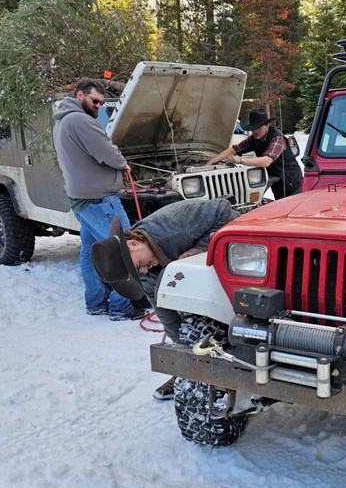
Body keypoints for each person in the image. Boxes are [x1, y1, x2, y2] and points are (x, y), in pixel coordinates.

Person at [90, 198, 239, 399]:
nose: (143, 270)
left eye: (139, 265)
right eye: (138, 272)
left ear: (132, 243)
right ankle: (188, 372)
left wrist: (202, 248)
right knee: (194, 319)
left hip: (238, 251)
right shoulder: (145, 274)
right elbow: (166, 314)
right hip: (198, 274)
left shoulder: (174, 225)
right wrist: (184, 356)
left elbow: (222, 208)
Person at [52, 78, 146, 321]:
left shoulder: (62, 121)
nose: (97, 106)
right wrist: (123, 163)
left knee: (89, 252)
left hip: (82, 199)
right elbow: (106, 151)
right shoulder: (80, 121)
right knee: (124, 250)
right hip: (100, 200)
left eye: (101, 103)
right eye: (95, 101)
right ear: (80, 95)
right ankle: (121, 307)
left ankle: (95, 303)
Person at [206, 108, 303, 199]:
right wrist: (211, 162)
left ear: (267, 125)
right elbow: (234, 149)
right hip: (277, 184)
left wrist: (240, 160)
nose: (255, 131)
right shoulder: (254, 139)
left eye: (258, 127)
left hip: (293, 185)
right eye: (253, 128)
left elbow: (266, 161)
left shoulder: (277, 138)